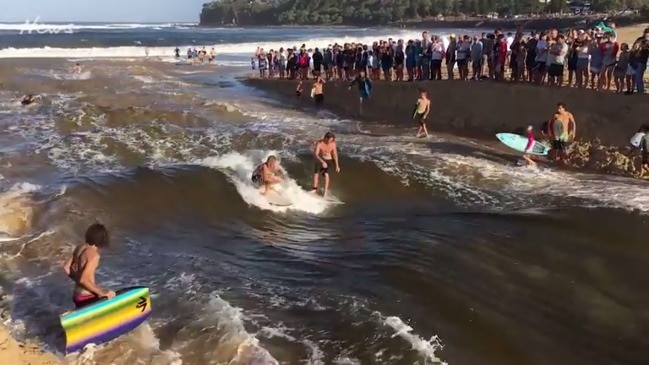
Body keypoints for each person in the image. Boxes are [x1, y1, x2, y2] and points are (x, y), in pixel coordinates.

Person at [63, 223, 115, 309]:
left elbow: (66, 267)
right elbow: (83, 280)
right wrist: (102, 294)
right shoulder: (94, 255)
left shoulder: (80, 248)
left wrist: (77, 280)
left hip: (77, 295)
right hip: (87, 297)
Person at [312, 132, 340, 197]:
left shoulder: (333, 144)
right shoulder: (319, 143)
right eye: (329, 140)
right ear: (325, 138)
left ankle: (325, 192)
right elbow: (316, 154)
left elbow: (335, 155)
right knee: (316, 174)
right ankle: (314, 189)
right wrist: (322, 161)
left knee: (326, 174)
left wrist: (337, 166)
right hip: (321, 159)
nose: (330, 142)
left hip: (329, 160)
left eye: (331, 140)